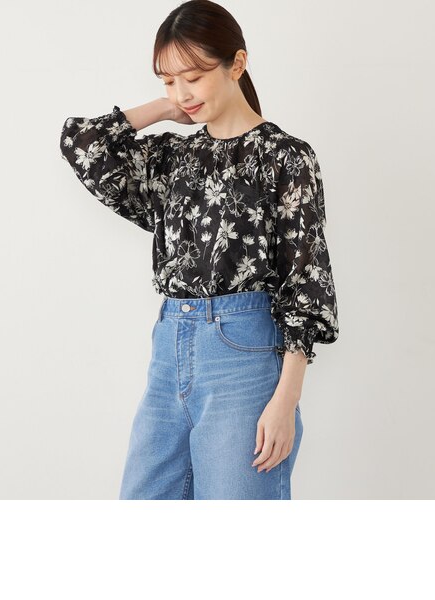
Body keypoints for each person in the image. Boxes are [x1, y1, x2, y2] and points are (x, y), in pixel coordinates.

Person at [59, 0, 339, 500]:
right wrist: (166, 108)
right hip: (169, 350)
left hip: (244, 358)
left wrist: (286, 400)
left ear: (237, 63)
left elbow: (306, 280)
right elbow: (83, 143)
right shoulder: (174, 159)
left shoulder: (285, 157)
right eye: (168, 81)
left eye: (193, 77)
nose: (182, 93)